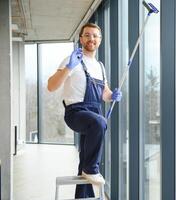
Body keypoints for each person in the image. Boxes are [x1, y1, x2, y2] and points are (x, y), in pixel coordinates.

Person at [47, 23, 122, 198]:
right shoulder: (71, 59)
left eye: (95, 36)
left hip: (93, 113)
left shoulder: (100, 66)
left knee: (85, 157)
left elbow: (104, 93)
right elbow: (51, 86)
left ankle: (83, 196)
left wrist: (113, 96)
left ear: (100, 40)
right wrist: (69, 67)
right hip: (76, 113)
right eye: (87, 35)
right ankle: (91, 169)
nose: (91, 39)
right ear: (81, 39)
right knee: (99, 123)